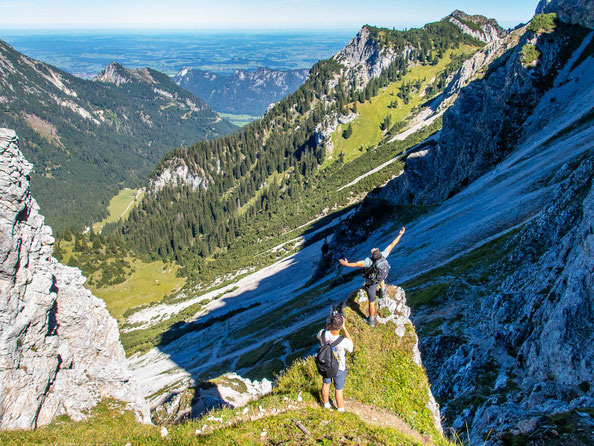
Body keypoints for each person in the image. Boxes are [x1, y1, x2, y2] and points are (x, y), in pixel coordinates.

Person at [339, 227, 406, 327]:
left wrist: (346, 264)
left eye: (374, 250)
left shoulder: (368, 262)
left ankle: (371, 320)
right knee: (381, 277)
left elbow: (357, 264)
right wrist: (400, 234)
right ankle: (383, 291)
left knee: (371, 301)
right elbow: (392, 244)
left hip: (371, 283)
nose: (374, 248)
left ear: (372, 255)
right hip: (381, 276)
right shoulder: (383, 255)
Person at [317, 313, 353, 412]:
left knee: (326, 383)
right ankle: (340, 409)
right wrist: (345, 329)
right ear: (340, 326)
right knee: (338, 389)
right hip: (339, 367)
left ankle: (326, 404)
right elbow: (351, 347)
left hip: (326, 364)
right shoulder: (343, 341)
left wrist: (328, 327)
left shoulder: (322, 333)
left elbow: (319, 336)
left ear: (330, 324)